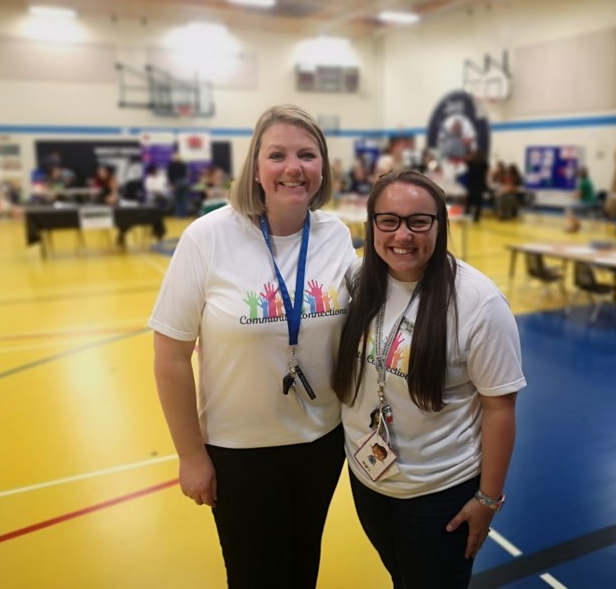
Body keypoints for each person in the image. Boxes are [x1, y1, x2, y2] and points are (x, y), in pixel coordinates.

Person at [148, 104, 358, 589]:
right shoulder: (208, 237)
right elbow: (171, 356)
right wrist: (191, 456)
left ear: (322, 167)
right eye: (277, 154)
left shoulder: (335, 235)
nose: (293, 167)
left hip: (321, 443)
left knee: (304, 565)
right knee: (255, 575)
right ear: (256, 167)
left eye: (307, 154)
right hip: (239, 452)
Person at [333, 170, 526, 589]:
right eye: (389, 220)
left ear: (440, 226)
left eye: (419, 221)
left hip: (440, 496)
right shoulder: (359, 278)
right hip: (369, 481)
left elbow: (500, 408)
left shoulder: (478, 303)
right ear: (372, 225)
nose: (403, 235)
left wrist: (488, 499)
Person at [564, 167, 596, 233]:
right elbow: (582, 193)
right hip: (591, 202)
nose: (578, 174)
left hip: (587, 203)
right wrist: (575, 195)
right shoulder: (588, 180)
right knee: (574, 208)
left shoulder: (583, 182)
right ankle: (576, 225)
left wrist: (572, 196)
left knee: (569, 208)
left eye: (579, 173)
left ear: (580, 174)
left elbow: (579, 195)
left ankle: (573, 227)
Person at [463, 149, 490, 223]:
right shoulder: (484, 163)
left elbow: (466, 169)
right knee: (478, 202)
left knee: (469, 200)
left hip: (471, 183)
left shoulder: (471, 162)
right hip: (480, 183)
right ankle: (476, 217)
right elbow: (486, 174)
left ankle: (466, 214)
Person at [167, 153, 191, 217]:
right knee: (184, 199)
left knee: (178, 200)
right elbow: (186, 173)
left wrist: (172, 184)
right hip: (184, 182)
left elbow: (170, 176)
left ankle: (178, 214)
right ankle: (184, 214)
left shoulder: (171, 166)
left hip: (176, 182)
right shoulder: (183, 165)